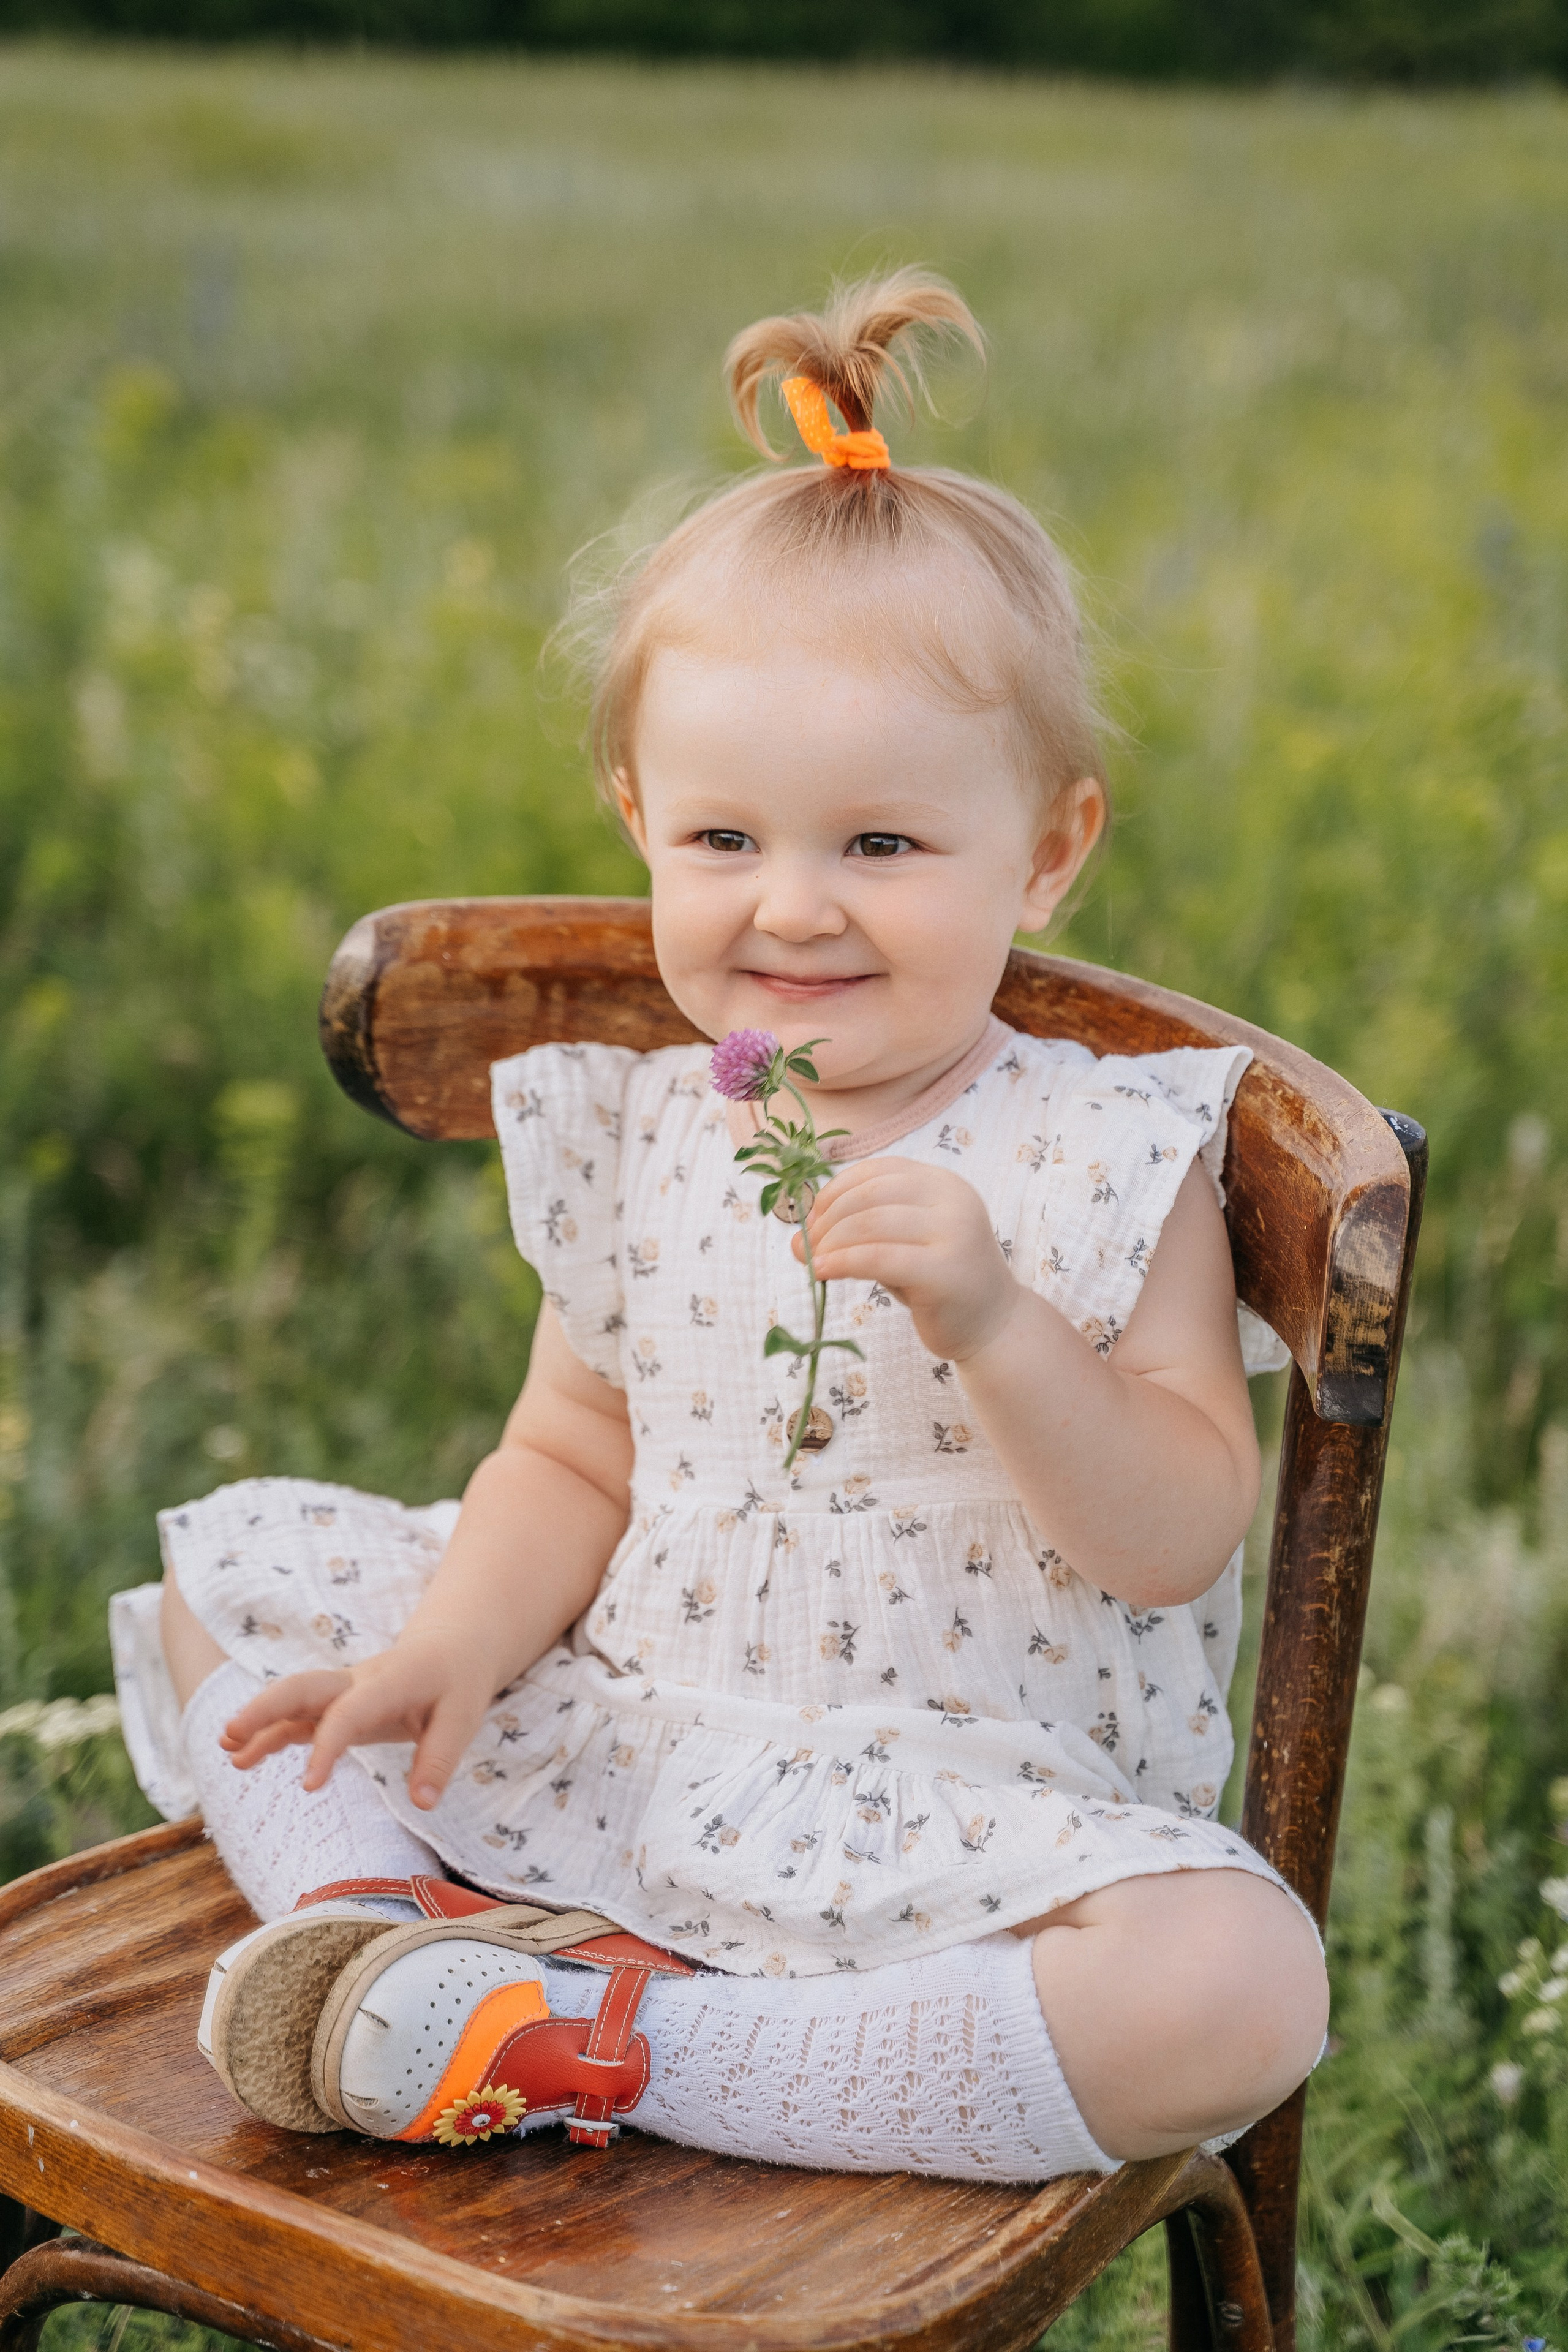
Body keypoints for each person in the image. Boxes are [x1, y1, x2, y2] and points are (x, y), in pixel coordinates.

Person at [111, 268, 1327, 2181]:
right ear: (636, 818)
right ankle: (374, 1941)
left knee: (1238, 1990)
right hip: (641, 1727)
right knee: (241, 1571)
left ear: (1055, 847)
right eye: (725, 840)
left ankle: (633, 2049)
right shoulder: (651, 1127)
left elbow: (1173, 1540)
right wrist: (454, 1640)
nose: (795, 909)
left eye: (884, 845)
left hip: (949, 1808)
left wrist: (999, 1319)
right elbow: (570, 1448)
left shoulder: (1099, 1148)